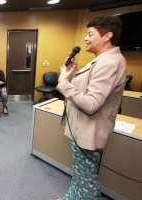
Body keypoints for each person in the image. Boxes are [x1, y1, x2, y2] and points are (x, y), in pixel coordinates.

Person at [55, 16, 126, 200]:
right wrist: (75, 72)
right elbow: (88, 88)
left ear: (107, 36)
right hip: (81, 128)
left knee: (87, 183)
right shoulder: (102, 59)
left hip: (89, 130)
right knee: (79, 176)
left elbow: (92, 104)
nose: (85, 38)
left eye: (90, 34)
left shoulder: (110, 62)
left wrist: (63, 82)